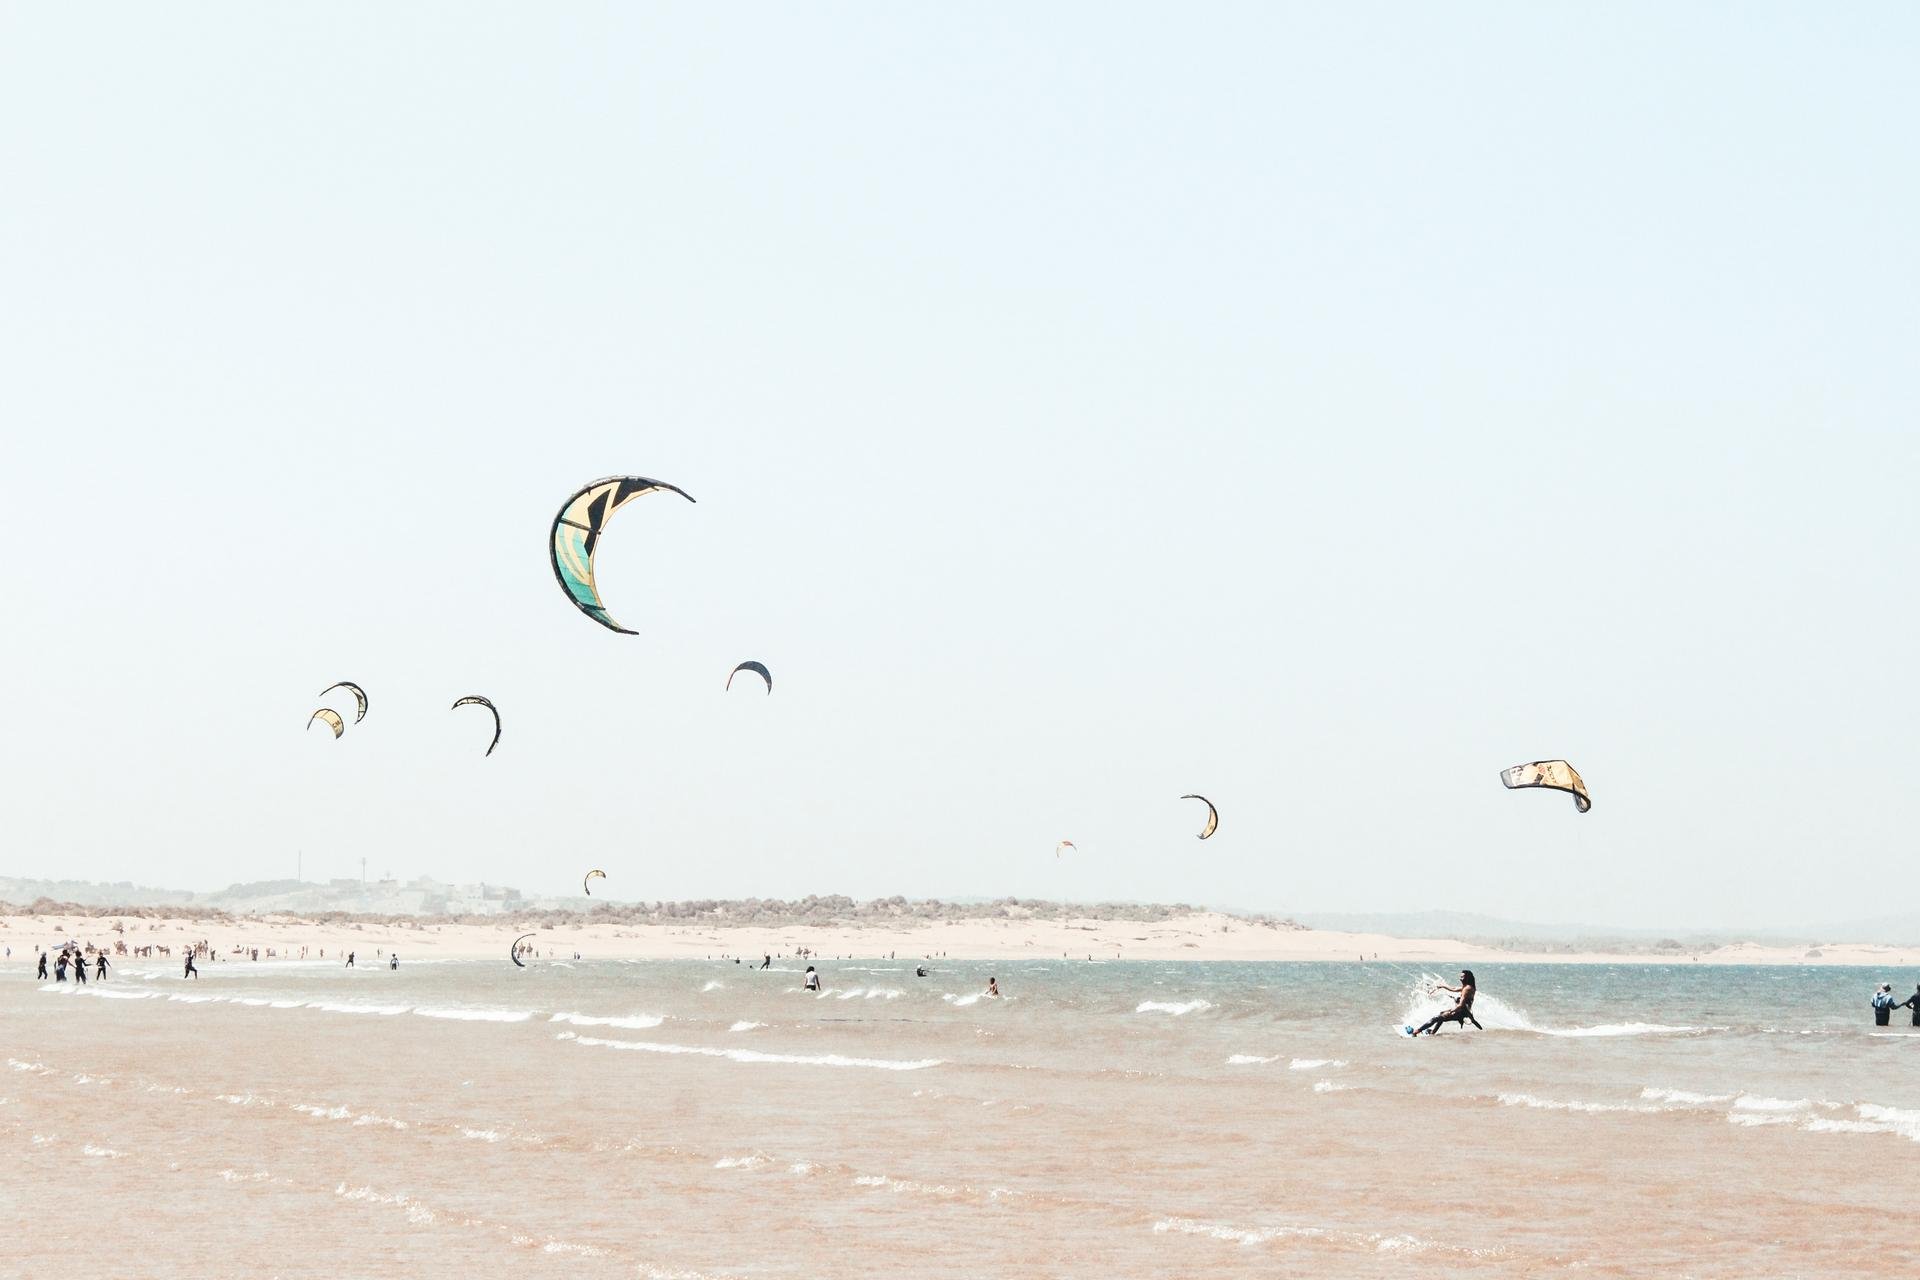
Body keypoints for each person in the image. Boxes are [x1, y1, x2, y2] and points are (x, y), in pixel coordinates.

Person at [1411, 970, 1481, 1035]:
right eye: (1460, 977)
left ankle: (1416, 1031)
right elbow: (1453, 989)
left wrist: (1451, 1011)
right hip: (1463, 1012)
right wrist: (1442, 986)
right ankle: (1433, 1032)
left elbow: (1460, 1005)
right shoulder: (1468, 987)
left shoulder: (1467, 989)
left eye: (1462, 977)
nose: (1460, 979)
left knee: (1436, 1018)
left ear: (1467, 978)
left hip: (1460, 1012)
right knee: (1441, 1015)